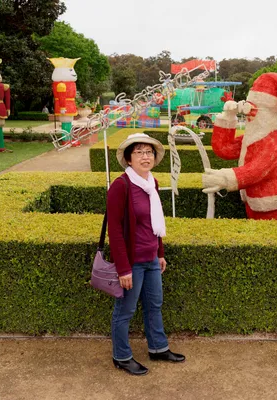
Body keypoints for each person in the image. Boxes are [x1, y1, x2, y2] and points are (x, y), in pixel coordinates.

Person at [107, 133, 185, 376]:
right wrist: (123, 269)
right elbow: (116, 231)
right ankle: (121, 356)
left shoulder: (152, 183)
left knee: (154, 305)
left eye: (149, 152)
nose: (145, 156)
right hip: (132, 262)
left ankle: (158, 348)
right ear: (129, 159)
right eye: (139, 152)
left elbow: (155, 222)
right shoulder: (121, 186)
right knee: (125, 311)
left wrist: (159, 253)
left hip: (151, 259)